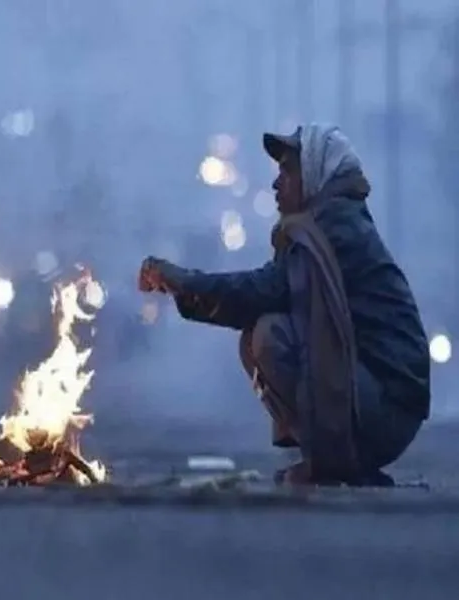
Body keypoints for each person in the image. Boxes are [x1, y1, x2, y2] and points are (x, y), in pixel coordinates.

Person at [138, 124, 430, 486]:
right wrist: (186, 287)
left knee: (270, 335)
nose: (277, 184)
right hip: (379, 397)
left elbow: (266, 289)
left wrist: (184, 281)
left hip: (389, 406)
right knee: (258, 335)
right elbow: (270, 290)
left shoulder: (334, 225)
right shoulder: (323, 222)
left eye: (288, 171)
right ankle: (334, 460)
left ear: (315, 174)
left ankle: (334, 464)